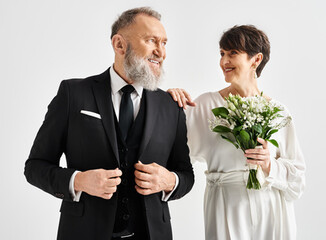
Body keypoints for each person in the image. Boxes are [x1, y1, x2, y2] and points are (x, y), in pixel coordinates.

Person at [24, 7, 194, 240]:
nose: (160, 52)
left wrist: (170, 180)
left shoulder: (171, 105)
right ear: (119, 44)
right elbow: (35, 167)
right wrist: (78, 181)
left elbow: (186, 174)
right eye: (151, 40)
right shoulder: (73, 94)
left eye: (164, 43)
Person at [168, 25, 306, 240]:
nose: (224, 61)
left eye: (233, 53)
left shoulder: (279, 112)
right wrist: (166, 105)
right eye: (222, 53)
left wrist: (269, 165)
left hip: (271, 209)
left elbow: (298, 181)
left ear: (256, 59)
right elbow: (173, 153)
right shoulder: (205, 105)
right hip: (225, 206)